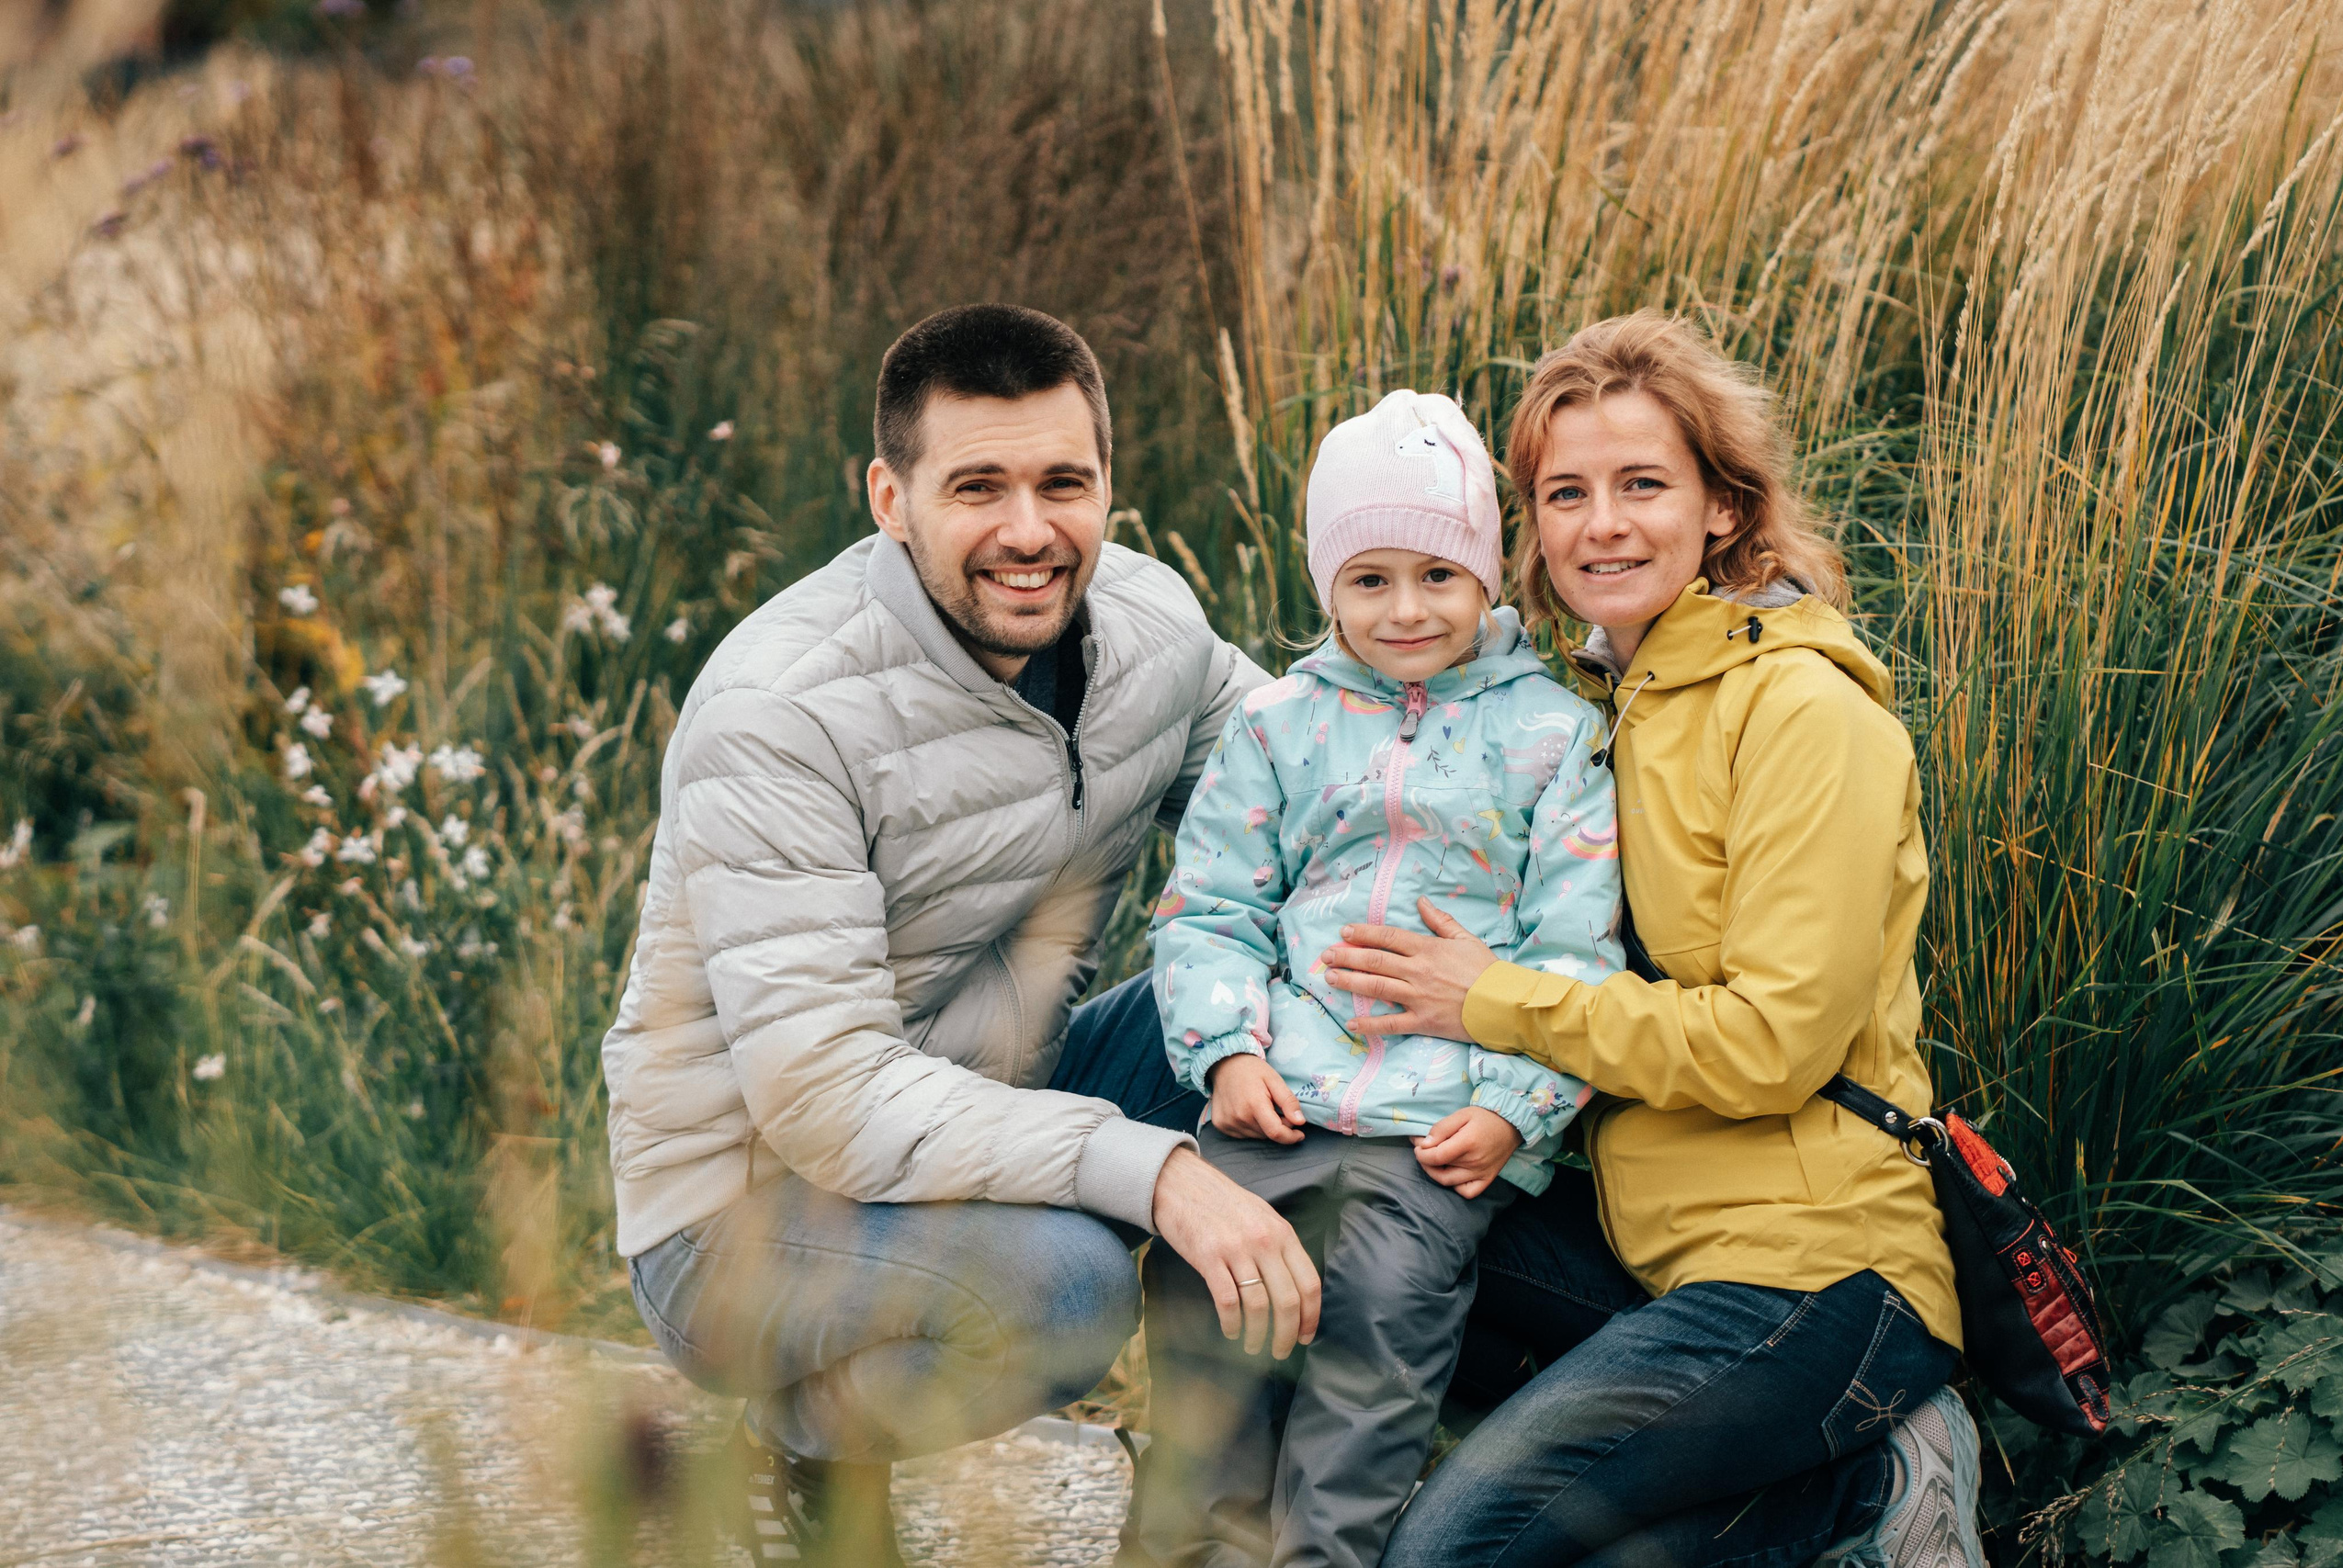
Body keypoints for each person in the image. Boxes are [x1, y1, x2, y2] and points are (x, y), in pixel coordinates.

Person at [600, 304, 1327, 1567]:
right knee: (1061, 1289)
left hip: (991, 1093)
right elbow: (823, 1095)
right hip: (744, 1208)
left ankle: (1212, 1526)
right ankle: (793, 1452)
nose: (1029, 531)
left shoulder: (1152, 626)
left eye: (1064, 482)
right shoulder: (779, 712)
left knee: (1307, 1005)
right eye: (977, 486)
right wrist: (1156, 1170)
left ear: (1109, 480)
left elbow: (1309, 811)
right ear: (890, 494)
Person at [1319, 311, 1986, 1566]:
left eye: (1642, 485)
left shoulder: (1803, 711)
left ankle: (1877, 1459)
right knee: (1327, 1239)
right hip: (1640, 1246)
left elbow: (1772, 1044)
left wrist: (1494, 999)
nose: (1601, 524)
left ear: (1725, 508)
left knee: (1447, 1552)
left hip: (1823, 1276)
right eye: (1564, 493)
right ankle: (1841, 1484)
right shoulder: (1577, 702)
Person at [1127, 390, 1624, 1568]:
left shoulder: (1553, 737)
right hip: (1277, 1108)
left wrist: (1515, 1109)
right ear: (1326, 588)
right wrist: (1229, 1053)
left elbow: (1572, 949)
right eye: (1370, 581)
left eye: (1438, 578)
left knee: (1377, 1341)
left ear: (1488, 580)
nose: (1406, 610)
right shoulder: (1277, 726)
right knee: (1206, 1308)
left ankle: (1324, 1554)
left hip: (1430, 1134)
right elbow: (1209, 910)